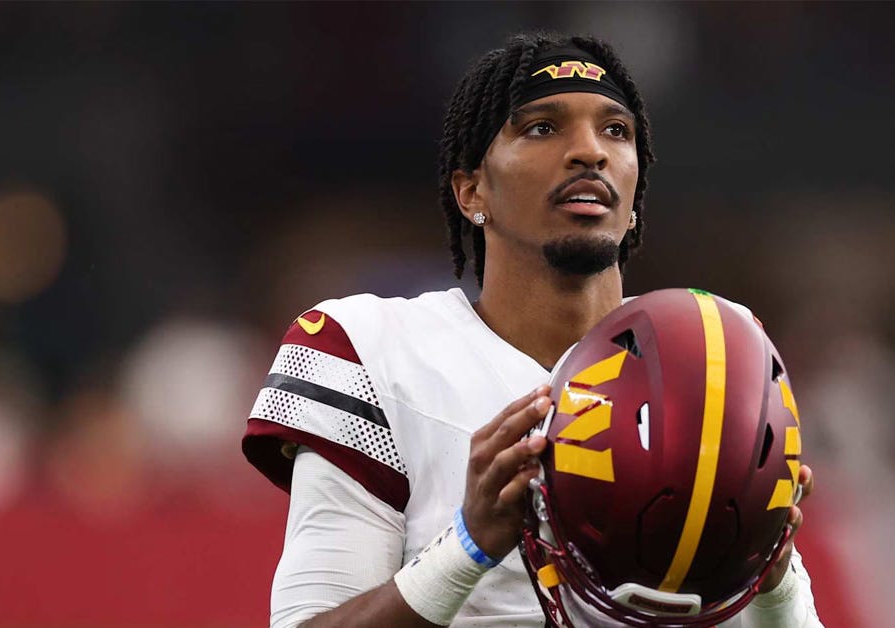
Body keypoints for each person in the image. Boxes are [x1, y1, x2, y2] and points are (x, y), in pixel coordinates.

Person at [242, 32, 820, 628]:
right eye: (542, 128)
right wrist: (467, 546)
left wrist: (774, 583)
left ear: (635, 196)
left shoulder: (715, 348)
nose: (589, 152)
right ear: (472, 192)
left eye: (615, 131)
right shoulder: (370, 349)